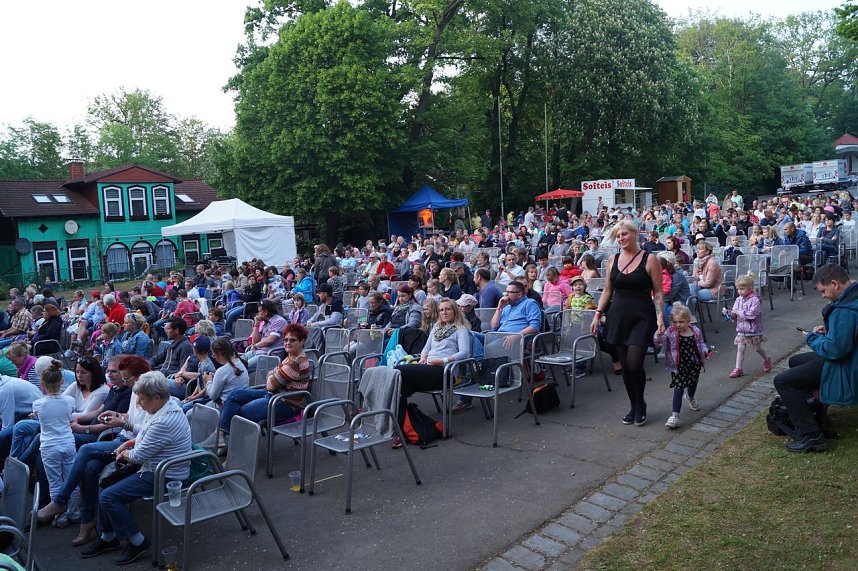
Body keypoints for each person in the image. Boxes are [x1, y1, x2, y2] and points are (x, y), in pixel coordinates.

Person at [80, 371, 191, 564]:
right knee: (105, 482)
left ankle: (138, 542)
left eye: (142, 399)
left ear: (156, 397)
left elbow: (139, 456)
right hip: (156, 466)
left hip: (165, 474)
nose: (139, 404)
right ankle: (108, 536)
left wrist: (124, 453)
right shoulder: (165, 407)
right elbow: (146, 434)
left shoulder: (163, 420)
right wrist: (128, 440)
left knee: (108, 496)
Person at [773, 264, 858, 452]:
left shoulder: (845, 310)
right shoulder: (853, 297)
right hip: (851, 358)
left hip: (848, 367)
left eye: (823, 291)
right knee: (795, 362)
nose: (823, 296)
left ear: (835, 284)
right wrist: (829, 331)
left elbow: (835, 350)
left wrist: (812, 338)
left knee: (783, 381)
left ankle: (811, 436)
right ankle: (816, 415)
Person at [590, 220, 664, 427]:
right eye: (618, 236)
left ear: (635, 233)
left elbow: (658, 292)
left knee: (634, 364)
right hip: (618, 316)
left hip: (642, 316)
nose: (621, 239)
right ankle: (634, 406)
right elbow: (607, 290)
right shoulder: (613, 260)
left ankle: (641, 403)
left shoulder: (650, 260)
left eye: (624, 234)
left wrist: (659, 317)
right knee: (624, 366)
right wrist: (597, 314)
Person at [218, 323, 311, 447]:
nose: (288, 343)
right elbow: (272, 378)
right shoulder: (291, 357)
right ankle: (223, 433)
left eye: (293, 340)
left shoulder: (295, 363)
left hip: (284, 404)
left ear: (302, 341)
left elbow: (271, 385)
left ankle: (232, 445)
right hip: (274, 395)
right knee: (234, 395)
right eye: (286, 340)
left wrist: (272, 376)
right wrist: (273, 376)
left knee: (240, 411)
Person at [394, 298, 471, 445]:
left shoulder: (460, 329)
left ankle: (369, 402)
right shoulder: (436, 328)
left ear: (455, 310)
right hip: (428, 368)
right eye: (442, 310)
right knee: (399, 390)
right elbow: (426, 348)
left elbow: (464, 353)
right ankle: (400, 433)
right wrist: (423, 357)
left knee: (397, 370)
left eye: (448, 309)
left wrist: (442, 361)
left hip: (444, 371)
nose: (444, 312)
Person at [34, 360, 80, 524]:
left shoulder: (38, 404)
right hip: (68, 442)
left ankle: (60, 516)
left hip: (49, 446)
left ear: (42, 383)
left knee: (55, 482)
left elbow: (40, 416)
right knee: (71, 480)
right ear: (62, 381)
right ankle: (74, 513)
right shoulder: (69, 401)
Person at [653, 303, 709, 429]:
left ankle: (690, 397)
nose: (678, 325)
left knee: (692, 383)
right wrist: (658, 334)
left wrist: (705, 351)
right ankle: (675, 415)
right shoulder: (670, 332)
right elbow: (658, 343)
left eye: (681, 322)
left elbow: (701, 344)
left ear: (688, 320)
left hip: (694, 364)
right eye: (675, 322)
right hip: (678, 365)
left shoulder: (695, 331)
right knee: (678, 388)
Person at [723, 274, 771, 378]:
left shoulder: (755, 300)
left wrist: (738, 312)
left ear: (750, 288)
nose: (740, 291)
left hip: (753, 329)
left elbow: (752, 314)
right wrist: (730, 313)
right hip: (742, 328)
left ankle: (766, 359)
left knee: (757, 348)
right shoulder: (738, 299)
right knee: (740, 348)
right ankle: (738, 368)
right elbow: (735, 312)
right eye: (738, 289)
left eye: (742, 289)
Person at [244, 299, 288, 373]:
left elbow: (270, 340)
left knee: (241, 369)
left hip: (269, 355)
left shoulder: (279, 321)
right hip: (258, 352)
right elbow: (255, 341)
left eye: (259, 311)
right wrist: (256, 325)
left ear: (266, 312)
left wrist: (255, 346)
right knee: (235, 364)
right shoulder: (264, 322)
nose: (258, 314)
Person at [149, 317, 194, 385]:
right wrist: (147, 366)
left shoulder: (186, 346)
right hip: (161, 375)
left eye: (168, 329)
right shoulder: (172, 345)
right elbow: (156, 359)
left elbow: (183, 370)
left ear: (176, 330)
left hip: (171, 379)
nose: (166, 331)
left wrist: (178, 376)